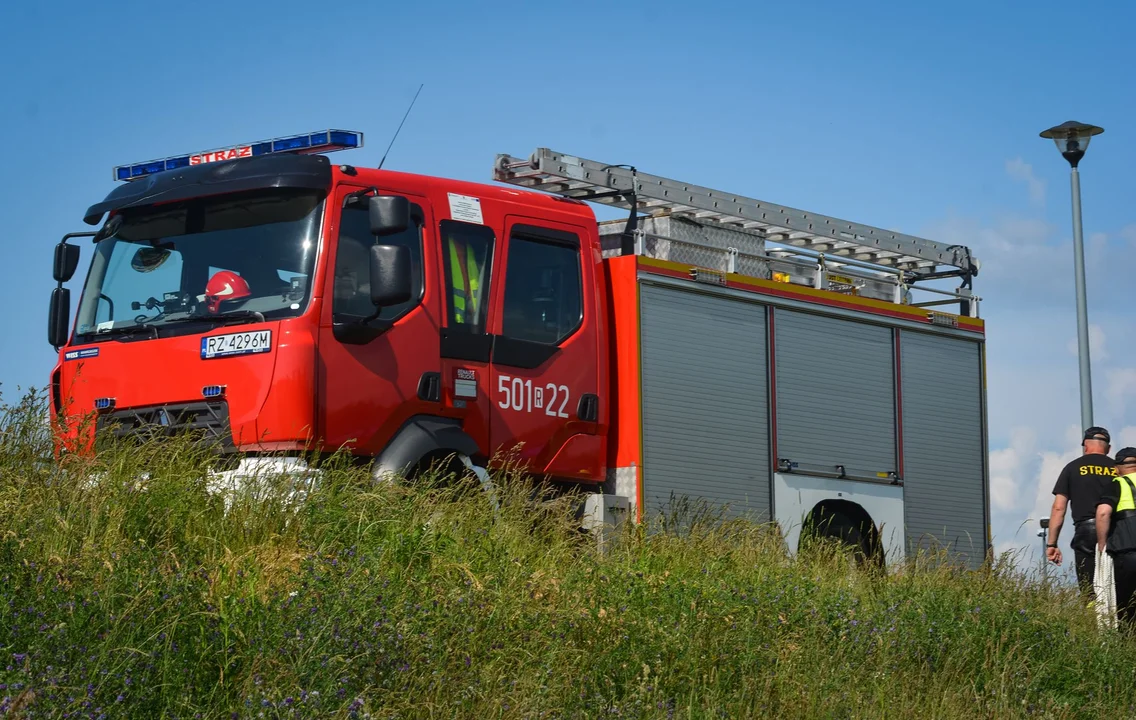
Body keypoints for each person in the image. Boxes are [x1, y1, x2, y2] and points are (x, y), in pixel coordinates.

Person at [1046, 426, 1116, 597]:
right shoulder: (1118, 469)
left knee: (1088, 588)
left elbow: (1058, 508)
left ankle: (1091, 617)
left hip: (1086, 532)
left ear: (1085, 445)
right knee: (1117, 586)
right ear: (1108, 448)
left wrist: (1052, 544)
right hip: (1116, 531)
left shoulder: (1072, 468)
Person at [1094, 447, 1136, 631]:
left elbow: (1103, 513)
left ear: (1117, 468)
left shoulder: (1117, 483)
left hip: (1127, 552)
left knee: (1126, 609)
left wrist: (1102, 544)